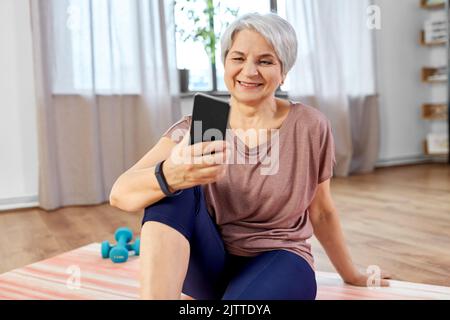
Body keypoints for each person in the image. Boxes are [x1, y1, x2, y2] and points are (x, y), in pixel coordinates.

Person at [110, 12, 390, 300]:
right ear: (225, 63)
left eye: (265, 61)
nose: (249, 71)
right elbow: (120, 194)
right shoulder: (205, 124)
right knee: (170, 188)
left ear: (284, 71)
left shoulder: (309, 125)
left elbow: (321, 210)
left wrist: (352, 274)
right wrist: (172, 174)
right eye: (238, 58)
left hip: (280, 259)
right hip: (210, 266)